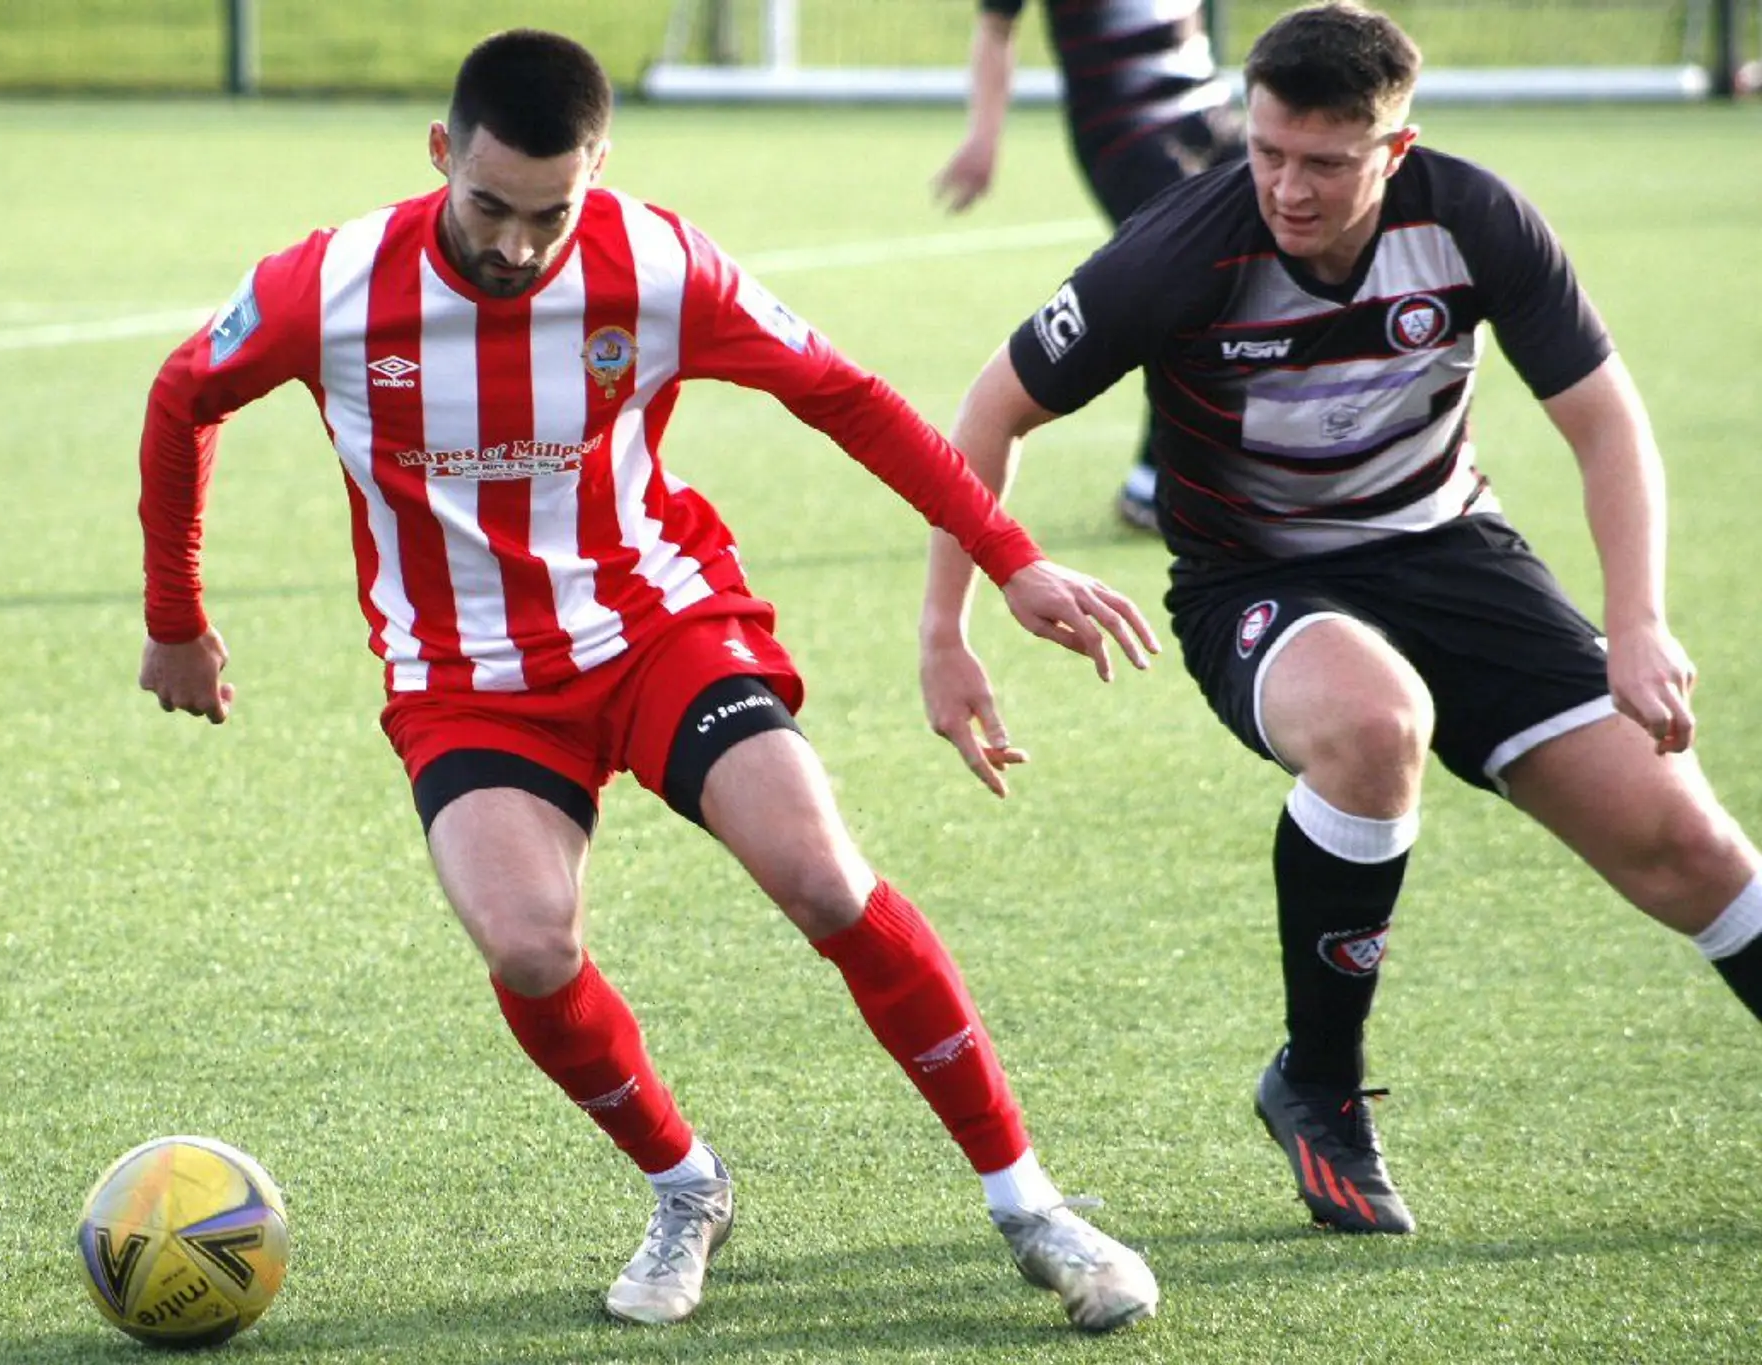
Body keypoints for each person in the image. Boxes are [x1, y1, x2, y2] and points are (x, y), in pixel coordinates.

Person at [136, 28, 1164, 1330]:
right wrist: (176, 619)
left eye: (550, 213)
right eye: (489, 206)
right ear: (442, 154)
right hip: (465, 679)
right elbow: (183, 396)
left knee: (821, 875)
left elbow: (845, 396)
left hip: (657, 625)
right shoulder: (328, 288)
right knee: (528, 945)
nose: (517, 245)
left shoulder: (656, 264)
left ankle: (1031, 1207)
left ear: (600, 169)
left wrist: (1008, 560)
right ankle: (687, 1185)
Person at [920, 1, 1762, 1235]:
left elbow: (1602, 421)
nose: (1285, 188)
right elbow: (988, 412)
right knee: (1373, 725)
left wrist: (1635, 619)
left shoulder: (1472, 219)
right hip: (1252, 580)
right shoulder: (1176, 251)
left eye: (1322, 162)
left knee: (1689, 850)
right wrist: (948, 628)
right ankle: (1316, 1086)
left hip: (1451, 554)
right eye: (1265, 150)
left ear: (1393, 147)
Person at [932, 0, 1246, 534]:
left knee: (1261, 263)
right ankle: (1154, 482)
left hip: (1212, 111)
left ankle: (1238, 469)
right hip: (1127, 128)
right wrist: (983, 137)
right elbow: (995, 28)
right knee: (1185, 279)